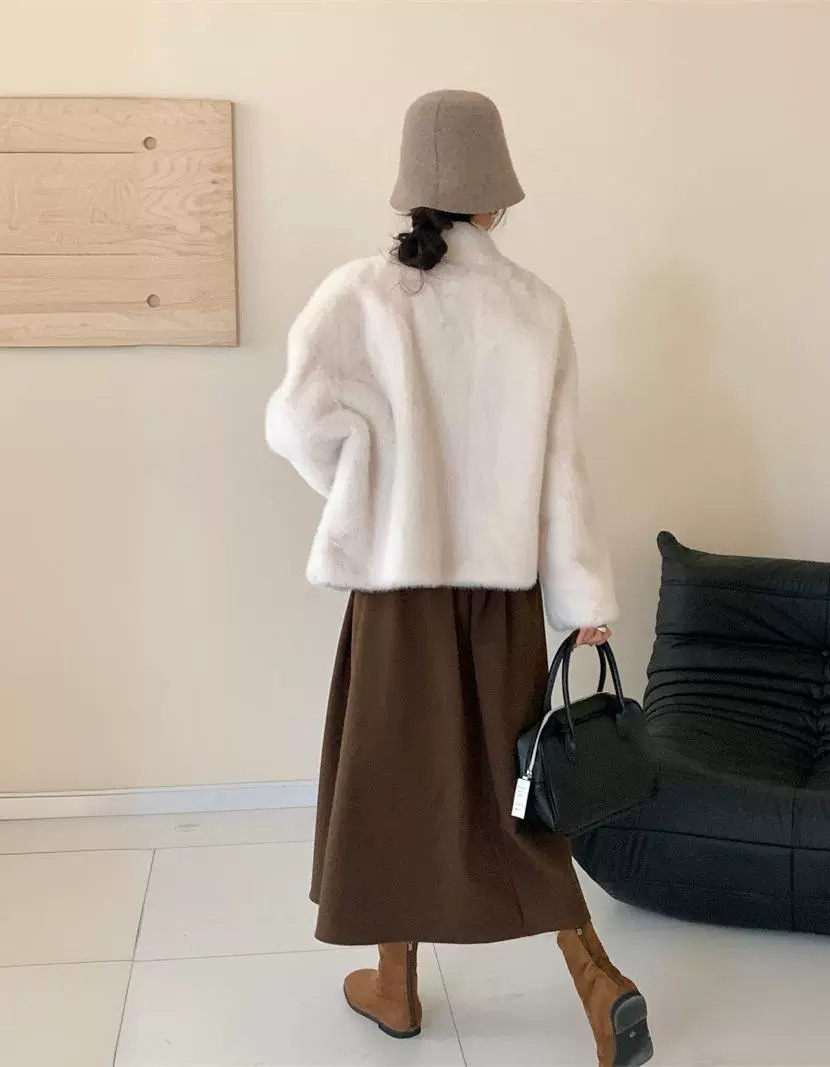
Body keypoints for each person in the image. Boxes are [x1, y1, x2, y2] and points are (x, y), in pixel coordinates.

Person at [266, 89, 653, 1067]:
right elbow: (561, 469)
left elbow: (297, 422)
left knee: (391, 779)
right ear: (495, 196)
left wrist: (367, 483)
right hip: (502, 599)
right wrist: (583, 604)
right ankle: (595, 977)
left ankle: (394, 985)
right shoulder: (535, 309)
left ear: (410, 190)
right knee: (513, 786)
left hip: (396, 596)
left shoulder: (360, 292)